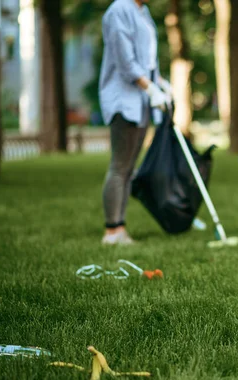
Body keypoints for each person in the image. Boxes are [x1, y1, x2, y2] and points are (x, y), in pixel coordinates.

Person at [99, 0, 172, 245]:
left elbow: (146, 60)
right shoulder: (119, 10)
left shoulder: (144, 11)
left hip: (141, 100)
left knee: (129, 168)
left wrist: (159, 83)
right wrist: (151, 89)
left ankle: (120, 228)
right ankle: (112, 231)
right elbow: (126, 63)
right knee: (120, 166)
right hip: (123, 100)